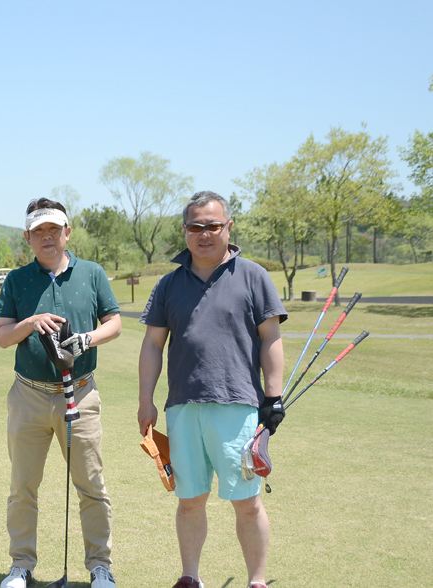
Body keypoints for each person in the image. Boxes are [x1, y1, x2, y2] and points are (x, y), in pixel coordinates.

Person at [137, 191, 287, 588]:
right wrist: (145, 401)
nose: (205, 234)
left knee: (247, 502)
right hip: (183, 407)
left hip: (238, 406)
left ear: (228, 228)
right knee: (189, 501)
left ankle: (256, 580)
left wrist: (273, 397)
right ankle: (190, 577)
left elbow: (270, 338)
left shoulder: (253, 275)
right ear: (185, 231)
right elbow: (152, 345)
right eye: (196, 226)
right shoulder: (168, 284)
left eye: (213, 225)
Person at [0, 198, 122, 588]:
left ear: (67, 232)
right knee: (23, 487)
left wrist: (87, 339)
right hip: (29, 395)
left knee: (91, 485)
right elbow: (2, 336)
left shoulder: (92, 273)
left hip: (80, 394)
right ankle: (21, 565)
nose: (47, 237)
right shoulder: (17, 280)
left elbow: (114, 323)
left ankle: (100, 567)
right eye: (39, 232)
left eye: (54, 229)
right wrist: (31, 322)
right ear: (27, 238)